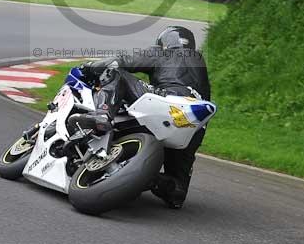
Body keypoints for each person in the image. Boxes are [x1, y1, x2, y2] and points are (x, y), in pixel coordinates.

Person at [74, 26, 211, 209]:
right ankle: (154, 180)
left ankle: (102, 114)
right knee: (178, 190)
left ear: (164, 43)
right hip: (193, 122)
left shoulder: (165, 52)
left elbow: (122, 61)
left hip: (168, 101)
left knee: (117, 73)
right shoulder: (200, 65)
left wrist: (90, 67)